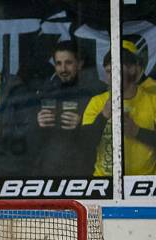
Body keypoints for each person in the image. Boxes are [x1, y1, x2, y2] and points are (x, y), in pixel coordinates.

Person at [83, 41, 156, 176]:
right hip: (105, 180)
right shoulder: (97, 102)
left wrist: (137, 132)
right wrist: (103, 116)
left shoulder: (153, 101)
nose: (111, 76)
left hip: (145, 181)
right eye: (108, 71)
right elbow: (83, 145)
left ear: (134, 69)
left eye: (115, 69)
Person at [31, 41, 96, 177]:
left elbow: (104, 138)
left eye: (68, 63)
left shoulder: (94, 93)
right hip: (48, 171)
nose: (63, 69)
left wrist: (82, 124)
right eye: (58, 63)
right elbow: (27, 140)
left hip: (83, 172)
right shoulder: (45, 92)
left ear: (80, 64)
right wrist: (36, 123)